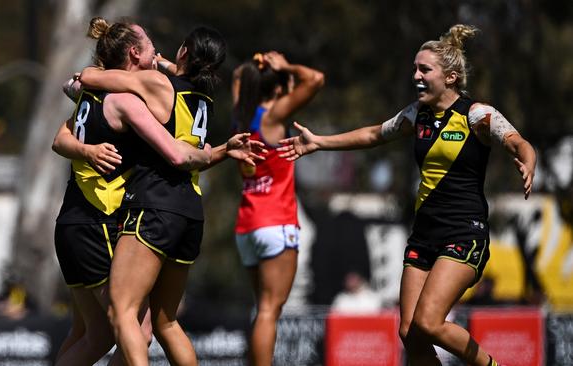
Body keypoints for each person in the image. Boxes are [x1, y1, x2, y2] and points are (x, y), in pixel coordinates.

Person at [278, 24, 536, 366]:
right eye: (414, 67)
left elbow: (517, 141)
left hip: (464, 233)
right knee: (410, 333)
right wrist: (320, 142)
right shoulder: (418, 115)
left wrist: (527, 160)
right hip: (424, 235)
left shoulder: (476, 115)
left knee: (429, 323)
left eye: (424, 69)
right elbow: (373, 134)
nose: (415, 75)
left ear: (451, 77)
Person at [78, 27, 257, 366]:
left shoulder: (158, 84)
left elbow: (90, 77)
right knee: (165, 321)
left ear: (184, 53)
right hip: (189, 211)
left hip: (154, 205)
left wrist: (148, 67)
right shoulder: (204, 97)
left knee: (122, 309)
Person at [52, 17, 214, 366]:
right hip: (97, 222)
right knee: (132, 330)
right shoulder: (127, 100)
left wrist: (84, 149)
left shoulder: (92, 92)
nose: (158, 51)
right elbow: (174, 153)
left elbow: (60, 137)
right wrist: (213, 152)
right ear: (135, 52)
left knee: (87, 334)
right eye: (151, 44)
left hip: (72, 222)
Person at [231, 51, 324, 365]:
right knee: (270, 311)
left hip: (247, 225)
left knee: (262, 308)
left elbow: (238, 77)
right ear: (280, 88)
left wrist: (258, 66)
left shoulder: (241, 116)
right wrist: (288, 67)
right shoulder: (271, 118)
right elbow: (316, 79)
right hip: (276, 223)